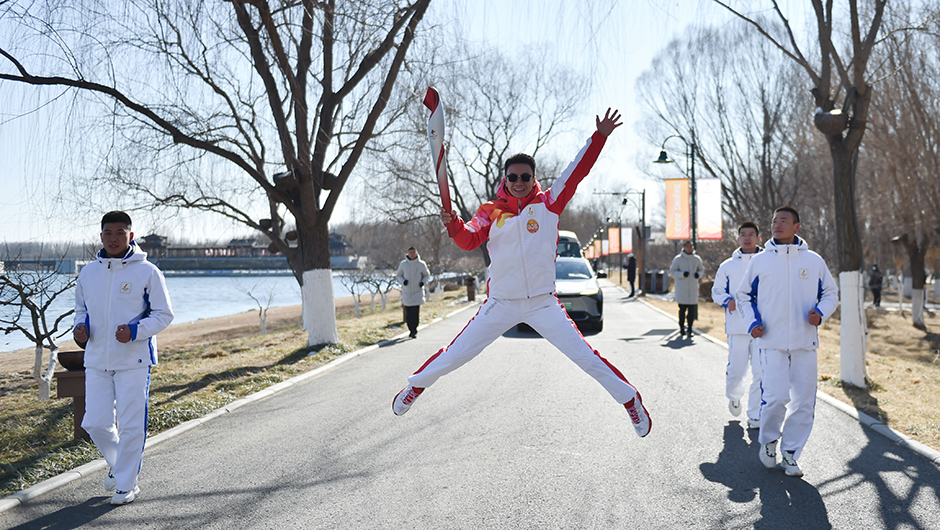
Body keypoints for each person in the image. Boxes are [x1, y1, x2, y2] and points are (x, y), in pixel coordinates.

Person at [391, 109, 651, 438]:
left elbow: (577, 171)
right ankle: (414, 388)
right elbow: (469, 238)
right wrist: (453, 224)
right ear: (505, 179)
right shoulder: (491, 212)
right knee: (456, 355)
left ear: (533, 178)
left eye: (524, 177)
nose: (518, 182)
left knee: (584, 356)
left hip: (543, 302)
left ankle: (630, 400)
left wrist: (599, 136)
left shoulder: (549, 203)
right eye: (512, 177)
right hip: (501, 303)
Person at [73, 211, 174, 505]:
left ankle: (126, 485)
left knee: (131, 426)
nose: (114, 238)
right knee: (95, 422)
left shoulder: (148, 272)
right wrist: (81, 329)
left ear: (131, 236)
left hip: (134, 360)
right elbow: (81, 310)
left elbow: (164, 314)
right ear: (101, 235)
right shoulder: (88, 272)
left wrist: (136, 331)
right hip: (96, 360)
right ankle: (119, 468)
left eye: (120, 233)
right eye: (108, 233)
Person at [735, 206, 838, 477]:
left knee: (804, 401)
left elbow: (830, 293)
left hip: (805, 341)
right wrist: (752, 323)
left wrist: (822, 312)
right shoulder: (761, 260)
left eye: (784, 221)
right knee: (777, 397)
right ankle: (769, 441)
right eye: (774, 221)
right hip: (771, 341)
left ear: (797, 227)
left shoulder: (813, 261)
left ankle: (791, 453)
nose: (777, 225)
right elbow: (743, 296)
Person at [711, 222, 763, 429]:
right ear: (738, 238)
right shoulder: (728, 266)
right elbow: (716, 291)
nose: (747, 238)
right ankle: (734, 396)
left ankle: (755, 415)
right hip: (737, 327)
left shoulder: (767, 262)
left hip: (762, 328)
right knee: (737, 370)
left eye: (751, 235)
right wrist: (727, 300)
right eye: (743, 235)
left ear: (758, 238)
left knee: (761, 372)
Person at [669, 241, 705, 338]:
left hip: (693, 289)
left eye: (691, 246)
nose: (689, 248)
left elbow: (701, 269)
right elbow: (672, 271)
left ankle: (690, 329)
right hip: (682, 289)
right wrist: (682, 274)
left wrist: (698, 274)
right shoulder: (678, 259)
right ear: (683, 247)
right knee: (682, 310)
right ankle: (681, 328)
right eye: (687, 246)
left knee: (691, 311)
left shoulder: (696, 259)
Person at [396, 246, 431, 338]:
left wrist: (422, 282)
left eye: (413, 253)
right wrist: (403, 281)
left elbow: (426, 275)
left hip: (417, 292)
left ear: (416, 253)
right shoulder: (403, 264)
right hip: (407, 292)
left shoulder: (421, 264)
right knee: (408, 313)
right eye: (410, 253)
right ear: (407, 254)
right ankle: (410, 328)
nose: (412, 254)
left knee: (415, 313)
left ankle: (414, 331)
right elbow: (398, 275)